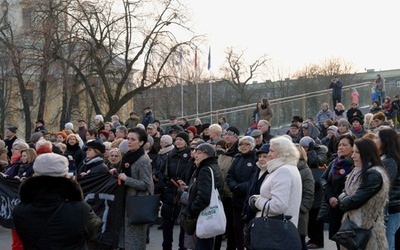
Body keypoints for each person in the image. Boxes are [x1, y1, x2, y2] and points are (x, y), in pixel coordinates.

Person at [12, 153, 102, 249]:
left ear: (35, 174)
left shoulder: (20, 209)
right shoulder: (80, 209)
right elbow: (94, 227)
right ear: (65, 176)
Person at [338, 138, 390, 249]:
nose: (353, 156)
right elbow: (345, 193)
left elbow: (353, 201)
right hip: (353, 227)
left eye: (357, 153)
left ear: (368, 154)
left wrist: (342, 199)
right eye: (353, 152)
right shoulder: (358, 171)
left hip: (367, 231)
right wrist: (344, 197)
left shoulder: (374, 175)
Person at [248, 137, 302, 231]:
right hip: (278, 227)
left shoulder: (284, 170)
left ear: (282, 152)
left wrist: (256, 201)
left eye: (272, 151)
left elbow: (278, 206)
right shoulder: (287, 168)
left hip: (275, 229)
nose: (269, 154)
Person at [117, 127, 154, 250]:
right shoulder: (129, 155)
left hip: (136, 206)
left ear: (141, 142)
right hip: (126, 202)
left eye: (133, 139)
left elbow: (146, 185)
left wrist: (126, 179)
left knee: (134, 243)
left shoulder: (142, 160)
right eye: (128, 138)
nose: (129, 141)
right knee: (125, 242)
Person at [181, 143, 223, 249]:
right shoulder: (214, 167)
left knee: (202, 245)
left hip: (204, 215)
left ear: (207, 155)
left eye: (199, 153)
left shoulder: (205, 170)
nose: (195, 155)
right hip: (209, 215)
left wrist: (191, 211)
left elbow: (204, 197)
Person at [157, 132, 194, 250]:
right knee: (167, 224)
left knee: (183, 223)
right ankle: (166, 247)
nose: (178, 141)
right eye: (177, 139)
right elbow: (162, 171)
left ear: (186, 142)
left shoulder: (190, 156)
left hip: (182, 192)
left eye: (181, 140)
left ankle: (182, 247)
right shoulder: (170, 155)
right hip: (169, 192)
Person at [321, 134, 355, 249]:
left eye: (344, 145)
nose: (340, 147)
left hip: (349, 208)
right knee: (338, 240)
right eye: (339, 145)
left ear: (353, 147)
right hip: (334, 207)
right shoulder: (335, 163)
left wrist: (341, 199)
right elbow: (324, 180)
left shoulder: (356, 165)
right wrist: (330, 197)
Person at [226, 136, 258, 250]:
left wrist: (241, 187)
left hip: (250, 199)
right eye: (241, 144)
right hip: (237, 198)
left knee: (250, 228)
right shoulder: (237, 158)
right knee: (237, 228)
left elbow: (255, 178)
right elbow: (229, 176)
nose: (243, 147)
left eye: (247, 144)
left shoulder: (256, 158)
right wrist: (234, 187)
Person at [373, 128, 400, 249]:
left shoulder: (390, 161)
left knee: (388, 245)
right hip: (387, 208)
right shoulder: (384, 158)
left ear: (384, 141)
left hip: (392, 209)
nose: (373, 140)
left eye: (376, 138)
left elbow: (385, 187)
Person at [294, 144, 315, 250]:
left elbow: (309, 193)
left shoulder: (305, 171)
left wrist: (302, 209)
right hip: (290, 213)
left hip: (299, 214)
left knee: (300, 243)